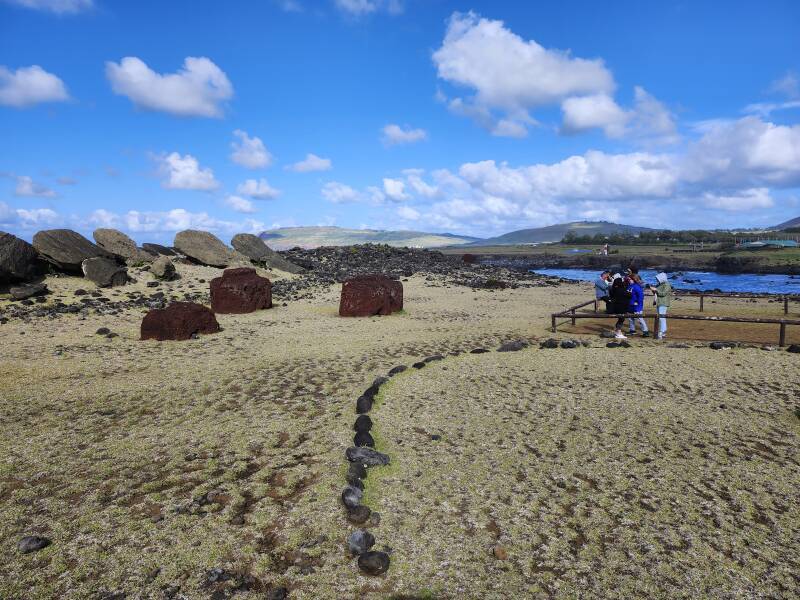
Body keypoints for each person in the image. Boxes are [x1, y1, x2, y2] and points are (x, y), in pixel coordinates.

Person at [651, 272, 673, 340]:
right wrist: (653, 290)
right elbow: (657, 293)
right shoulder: (659, 284)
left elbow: (663, 294)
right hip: (659, 302)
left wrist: (656, 290)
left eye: (658, 279)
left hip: (663, 303)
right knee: (661, 317)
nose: (657, 280)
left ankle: (662, 331)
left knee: (661, 318)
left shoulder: (667, 285)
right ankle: (663, 331)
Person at [609, 274, 631, 338]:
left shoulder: (612, 290)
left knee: (621, 319)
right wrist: (629, 292)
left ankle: (617, 330)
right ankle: (618, 332)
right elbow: (629, 295)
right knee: (621, 319)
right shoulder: (622, 290)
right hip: (622, 307)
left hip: (615, 307)